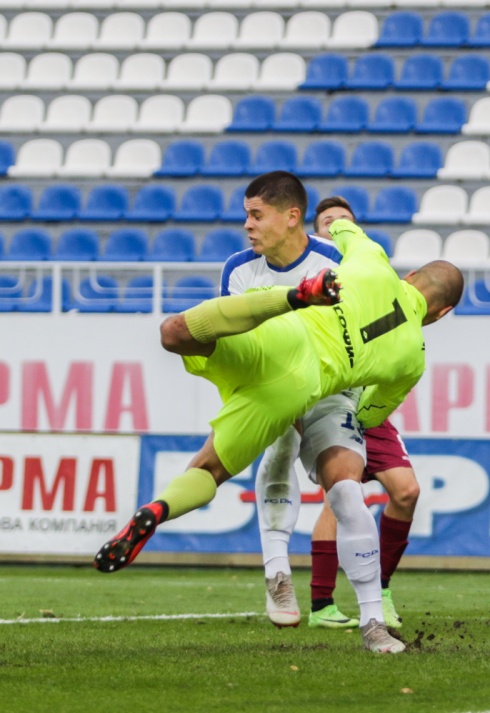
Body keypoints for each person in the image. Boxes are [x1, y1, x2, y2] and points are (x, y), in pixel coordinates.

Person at [94, 172, 464, 654]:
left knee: (176, 338)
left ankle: (159, 509)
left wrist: (337, 228)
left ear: (409, 277)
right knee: (347, 492)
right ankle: (373, 623)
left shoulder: (368, 256)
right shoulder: (413, 357)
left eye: (255, 215)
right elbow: (373, 412)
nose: (249, 225)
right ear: (441, 314)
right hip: (306, 389)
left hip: (277, 342)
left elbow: (343, 225)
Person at [232, 195, 417, 631]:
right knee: (325, 483)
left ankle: (378, 596)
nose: (336, 226)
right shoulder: (254, 269)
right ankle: (309, 593)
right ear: (309, 227)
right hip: (294, 386)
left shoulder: (358, 267)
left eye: (343, 221)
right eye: (328, 221)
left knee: (400, 491)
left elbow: (384, 327)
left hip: (354, 396)